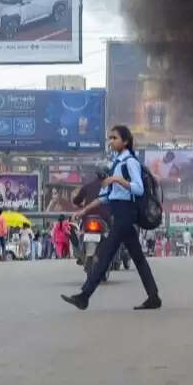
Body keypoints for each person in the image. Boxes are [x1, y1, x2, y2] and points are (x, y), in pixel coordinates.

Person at [62, 125, 161, 311]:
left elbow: (138, 188)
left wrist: (116, 180)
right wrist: (83, 211)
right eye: (110, 138)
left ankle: (84, 295)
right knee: (137, 257)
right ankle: (153, 296)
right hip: (118, 212)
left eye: (114, 138)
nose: (111, 141)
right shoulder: (116, 164)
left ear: (125, 141)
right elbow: (107, 196)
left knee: (106, 253)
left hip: (126, 213)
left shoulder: (130, 162)